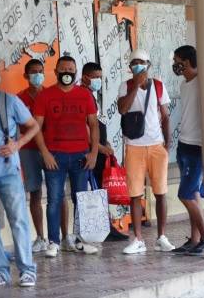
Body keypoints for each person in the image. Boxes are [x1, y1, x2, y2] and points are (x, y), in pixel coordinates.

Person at [33, 56, 99, 258]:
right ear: (56, 72)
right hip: (55, 156)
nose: (67, 72)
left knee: (81, 199)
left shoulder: (85, 95)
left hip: (81, 156)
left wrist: (94, 152)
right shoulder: (45, 96)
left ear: (76, 72)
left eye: (71, 69)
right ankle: (53, 242)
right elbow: (36, 127)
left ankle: (80, 240)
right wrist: (45, 153)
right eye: (63, 69)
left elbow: (94, 125)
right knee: (54, 199)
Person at [117, 49, 174, 254]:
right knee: (135, 194)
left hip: (156, 146)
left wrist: (167, 145)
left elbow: (165, 116)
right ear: (130, 67)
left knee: (160, 192)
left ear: (148, 65)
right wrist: (135, 87)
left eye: (141, 63)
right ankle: (138, 239)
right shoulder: (125, 86)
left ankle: (161, 237)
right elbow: (122, 109)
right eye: (134, 63)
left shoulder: (158, 86)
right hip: (134, 146)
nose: (138, 66)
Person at [0, 60, 40, 288]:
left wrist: (17, 145)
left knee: (18, 221)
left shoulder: (9, 101)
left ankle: (27, 269)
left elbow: (33, 126)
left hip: (8, 171)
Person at [17, 59, 70, 252]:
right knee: (35, 192)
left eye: (40, 71)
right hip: (29, 150)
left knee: (59, 193)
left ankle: (65, 237)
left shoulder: (51, 95)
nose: (37, 75)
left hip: (53, 150)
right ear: (26, 75)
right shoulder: (19, 98)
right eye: (33, 72)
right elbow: (15, 126)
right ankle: (40, 237)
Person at [80, 62, 128, 242]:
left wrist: (105, 142)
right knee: (96, 189)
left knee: (101, 188)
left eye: (100, 77)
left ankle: (106, 226)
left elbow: (96, 124)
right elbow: (84, 127)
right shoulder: (83, 95)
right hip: (93, 152)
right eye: (95, 77)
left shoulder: (91, 95)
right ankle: (102, 228)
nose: (99, 80)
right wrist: (99, 148)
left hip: (100, 148)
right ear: (85, 77)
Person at [169, 46, 204, 255]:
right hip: (183, 145)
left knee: (185, 194)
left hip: (197, 147)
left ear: (186, 61)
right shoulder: (185, 84)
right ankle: (194, 240)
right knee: (192, 193)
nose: (175, 64)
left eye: (177, 60)